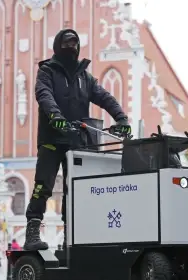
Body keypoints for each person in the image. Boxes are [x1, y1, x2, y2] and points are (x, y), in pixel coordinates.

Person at [24, 29, 131, 251]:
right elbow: (44, 96)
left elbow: (104, 97)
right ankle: (33, 232)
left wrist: (121, 118)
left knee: (74, 189)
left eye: (75, 42)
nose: (71, 46)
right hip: (52, 138)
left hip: (77, 141)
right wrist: (57, 118)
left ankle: (70, 238)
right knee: (43, 185)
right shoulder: (46, 71)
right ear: (58, 46)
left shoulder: (85, 77)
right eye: (67, 42)